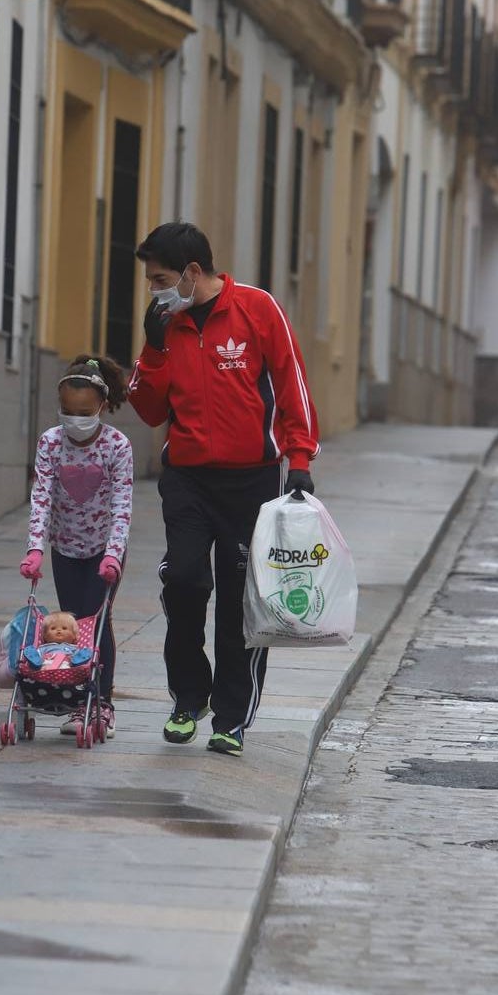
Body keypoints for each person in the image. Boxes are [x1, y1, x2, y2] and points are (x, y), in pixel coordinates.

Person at [128, 221, 319, 758]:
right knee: (185, 580)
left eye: (160, 278)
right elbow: (147, 410)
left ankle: (231, 719)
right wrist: (153, 347)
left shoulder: (257, 310)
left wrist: (299, 457)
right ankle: (188, 697)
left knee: (239, 604)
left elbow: (291, 382)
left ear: (192, 272)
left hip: (251, 482)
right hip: (187, 478)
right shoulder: (169, 324)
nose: (154, 290)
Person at [20, 355, 133, 738]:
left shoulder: (117, 446)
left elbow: (122, 506)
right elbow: (42, 497)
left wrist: (114, 555)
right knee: (69, 627)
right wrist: (35, 548)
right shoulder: (51, 442)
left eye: (84, 412)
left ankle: (101, 703)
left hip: (104, 550)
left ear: (102, 405)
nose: (75, 419)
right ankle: (74, 700)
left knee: (96, 623)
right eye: (67, 411)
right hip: (64, 548)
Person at [22, 612, 92, 671]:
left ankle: (78, 662)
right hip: (45, 667)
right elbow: (40, 654)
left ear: (74, 635)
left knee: (77, 658)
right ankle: (35, 663)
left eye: (64, 628)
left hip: (67, 668)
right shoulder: (43, 647)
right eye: (53, 628)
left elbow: (74, 655)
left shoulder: (73, 648)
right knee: (36, 657)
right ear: (45, 636)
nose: (59, 630)